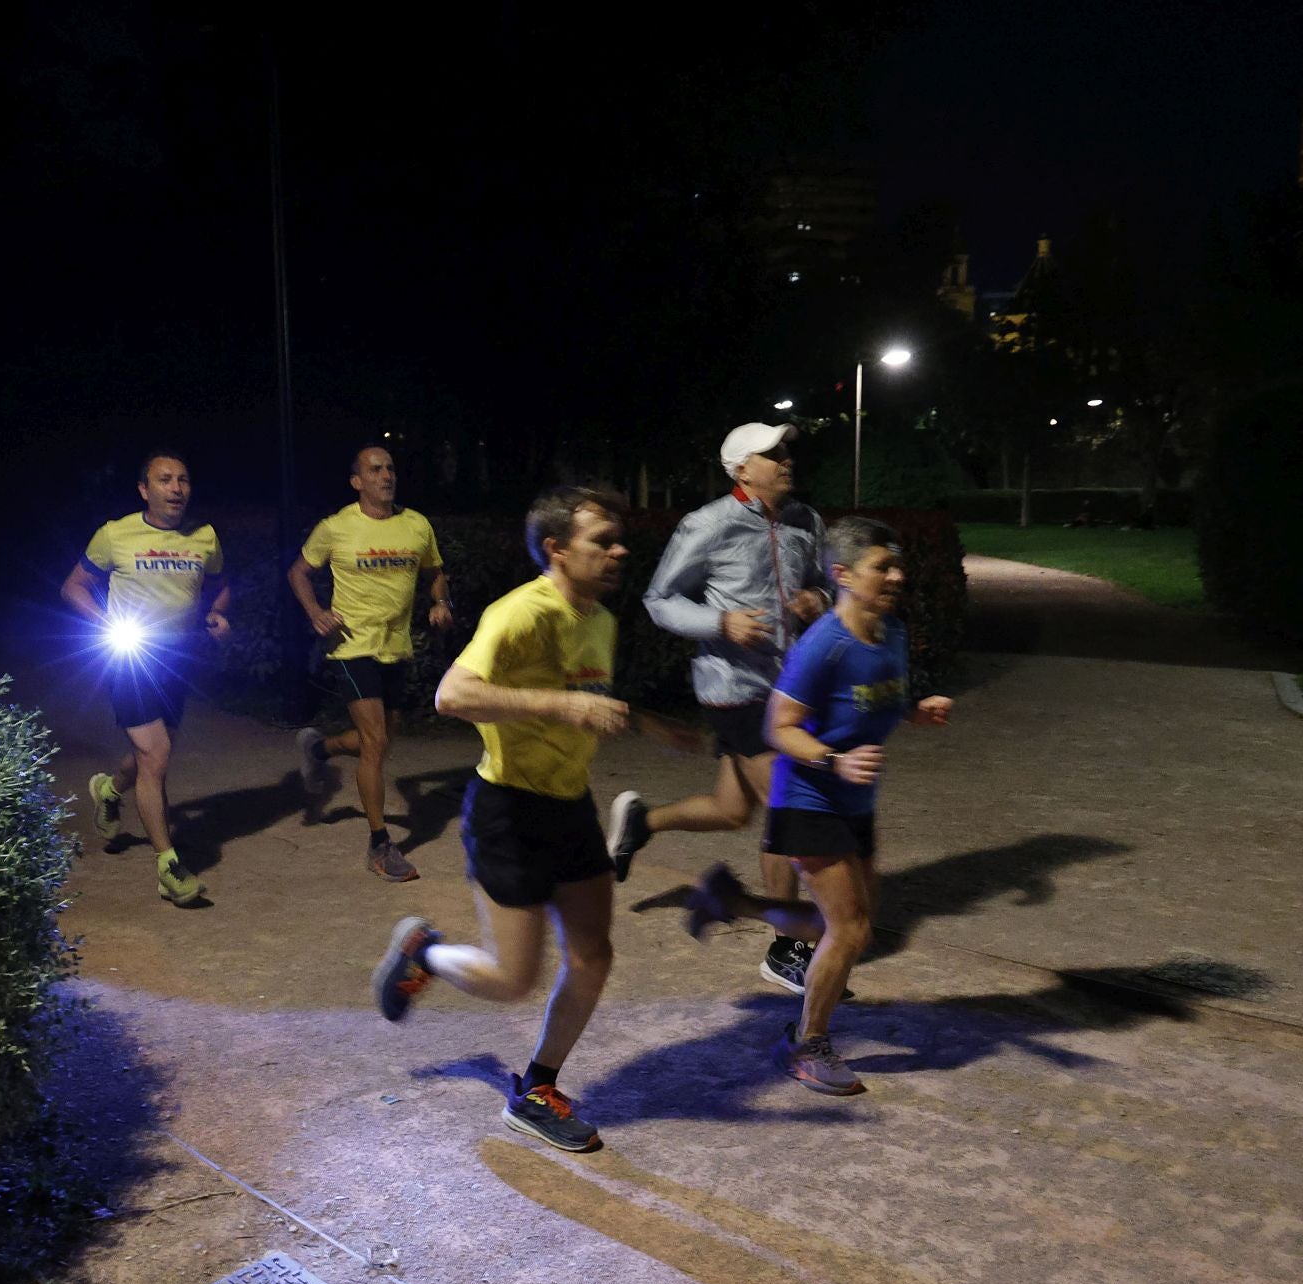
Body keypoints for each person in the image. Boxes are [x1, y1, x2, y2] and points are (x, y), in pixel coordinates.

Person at [371, 486, 632, 1153]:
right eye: (601, 540)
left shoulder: (600, 618)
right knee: (514, 979)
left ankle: (538, 1088)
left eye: (616, 539)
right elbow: (452, 694)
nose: (617, 550)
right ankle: (423, 951)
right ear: (557, 549)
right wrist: (562, 707)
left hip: (570, 806)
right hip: (509, 812)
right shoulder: (519, 614)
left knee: (593, 955)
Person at [683, 515, 953, 1096]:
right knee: (850, 929)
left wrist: (913, 711)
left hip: (855, 802)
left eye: (898, 564)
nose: (897, 576)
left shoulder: (892, 634)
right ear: (844, 575)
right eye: (883, 566)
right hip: (808, 798)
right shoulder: (822, 645)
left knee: (850, 922)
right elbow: (779, 728)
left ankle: (728, 901)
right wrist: (833, 760)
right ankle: (806, 1044)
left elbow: (878, 699)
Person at [605, 421, 833, 994]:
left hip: (789, 686)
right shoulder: (707, 524)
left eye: (786, 450)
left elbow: (828, 583)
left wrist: (820, 598)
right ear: (741, 469)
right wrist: (719, 622)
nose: (786, 460)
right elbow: (659, 599)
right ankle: (787, 947)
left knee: (735, 811)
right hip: (734, 686)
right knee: (788, 806)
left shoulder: (807, 520)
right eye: (772, 453)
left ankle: (642, 822)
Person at [61, 450, 230, 908]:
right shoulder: (115, 534)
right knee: (157, 754)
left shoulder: (204, 537)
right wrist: (103, 624)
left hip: (178, 659)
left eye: (183, 479)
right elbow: (72, 585)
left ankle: (109, 790)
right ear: (144, 490)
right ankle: (168, 866)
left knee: (150, 753)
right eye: (164, 480)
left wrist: (215, 612)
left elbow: (221, 582)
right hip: (130, 657)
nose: (176, 488)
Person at [288, 445, 452, 880]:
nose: (386, 476)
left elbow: (435, 573)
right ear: (357, 482)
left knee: (376, 742)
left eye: (391, 468)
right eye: (375, 470)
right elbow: (298, 572)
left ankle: (318, 748)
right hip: (351, 646)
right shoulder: (336, 527)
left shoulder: (416, 525)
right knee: (376, 741)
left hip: (395, 647)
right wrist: (316, 613)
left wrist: (440, 602)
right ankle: (380, 846)